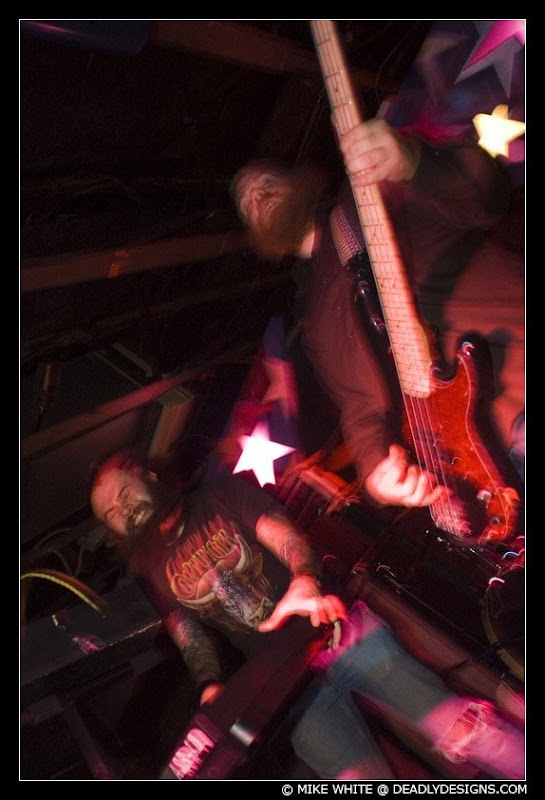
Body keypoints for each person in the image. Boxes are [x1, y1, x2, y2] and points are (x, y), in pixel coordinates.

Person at [89, 449, 525, 780]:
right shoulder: (148, 568)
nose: (123, 510)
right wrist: (210, 684)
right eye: (111, 513)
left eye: (124, 494)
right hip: (281, 688)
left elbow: (286, 538)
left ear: (149, 477)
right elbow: (187, 633)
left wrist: (304, 579)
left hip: (340, 632)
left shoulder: (222, 494)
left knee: (463, 730)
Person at [230, 118, 525, 520]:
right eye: (246, 204)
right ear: (259, 241)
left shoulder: (370, 191)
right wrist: (374, 475)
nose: (257, 196)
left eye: (266, 181)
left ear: (298, 181)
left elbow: (487, 198)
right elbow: (361, 410)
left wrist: (413, 161)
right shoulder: (315, 324)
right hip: (494, 454)